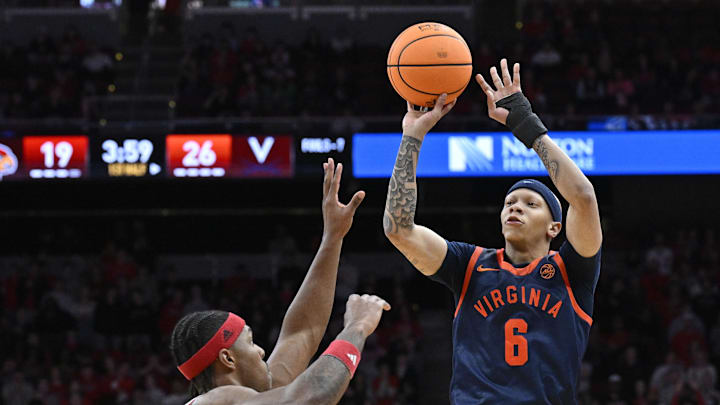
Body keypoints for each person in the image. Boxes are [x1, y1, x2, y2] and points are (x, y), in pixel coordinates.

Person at [383, 59, 602, 404]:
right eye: (510, 202)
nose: (515, 207)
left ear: (554, 227)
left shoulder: (572, 272)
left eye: (531, 204)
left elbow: (584, 198)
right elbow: (399, 229)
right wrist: (412, 137)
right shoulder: (468, 264)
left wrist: (527, 125)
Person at [171, 158, 391, 405]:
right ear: (228, 359)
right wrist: (356, 328)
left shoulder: (252, 399)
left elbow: (302, 334)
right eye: (250, 342)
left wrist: (333, 237)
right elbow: (313, 396)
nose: (262, 352)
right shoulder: (215, 400)